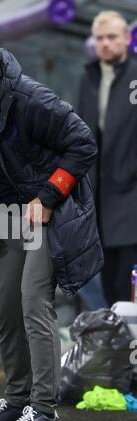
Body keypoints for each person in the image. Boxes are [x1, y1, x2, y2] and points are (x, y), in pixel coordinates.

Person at [0, 26, 101, 421]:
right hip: (3, 216)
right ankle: (16, 401)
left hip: (50, 210)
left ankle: (44, 409)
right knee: (5, 309)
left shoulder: (29, 98)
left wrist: (46, 198)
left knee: (34, 301)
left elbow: (83, 142)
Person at [78, 11, 137, 307]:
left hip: (131, 197)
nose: (105, 44)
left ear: (127, 38)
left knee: (129, 280)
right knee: (109, 280)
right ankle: (119, 347)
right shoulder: (88, 78)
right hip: (97, 197)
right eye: (99, 38)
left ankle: (131, 348)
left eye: (112, 37)